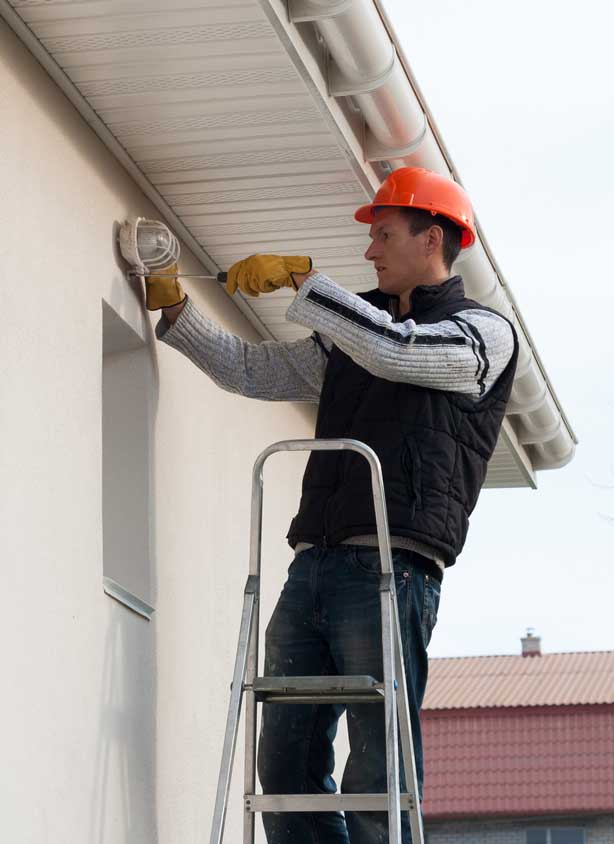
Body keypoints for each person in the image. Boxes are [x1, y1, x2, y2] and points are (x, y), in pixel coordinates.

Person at [145, 167, 518, 843]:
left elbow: (398, 351)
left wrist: (305, 285)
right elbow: (252, 369)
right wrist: (175, 308)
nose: (371, 251)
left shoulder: (481, 335)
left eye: (382, 235)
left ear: (431, 238)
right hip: (313, 566)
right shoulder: (351, 335)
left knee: (378, 773)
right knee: (284, 764)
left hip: (392, 571)